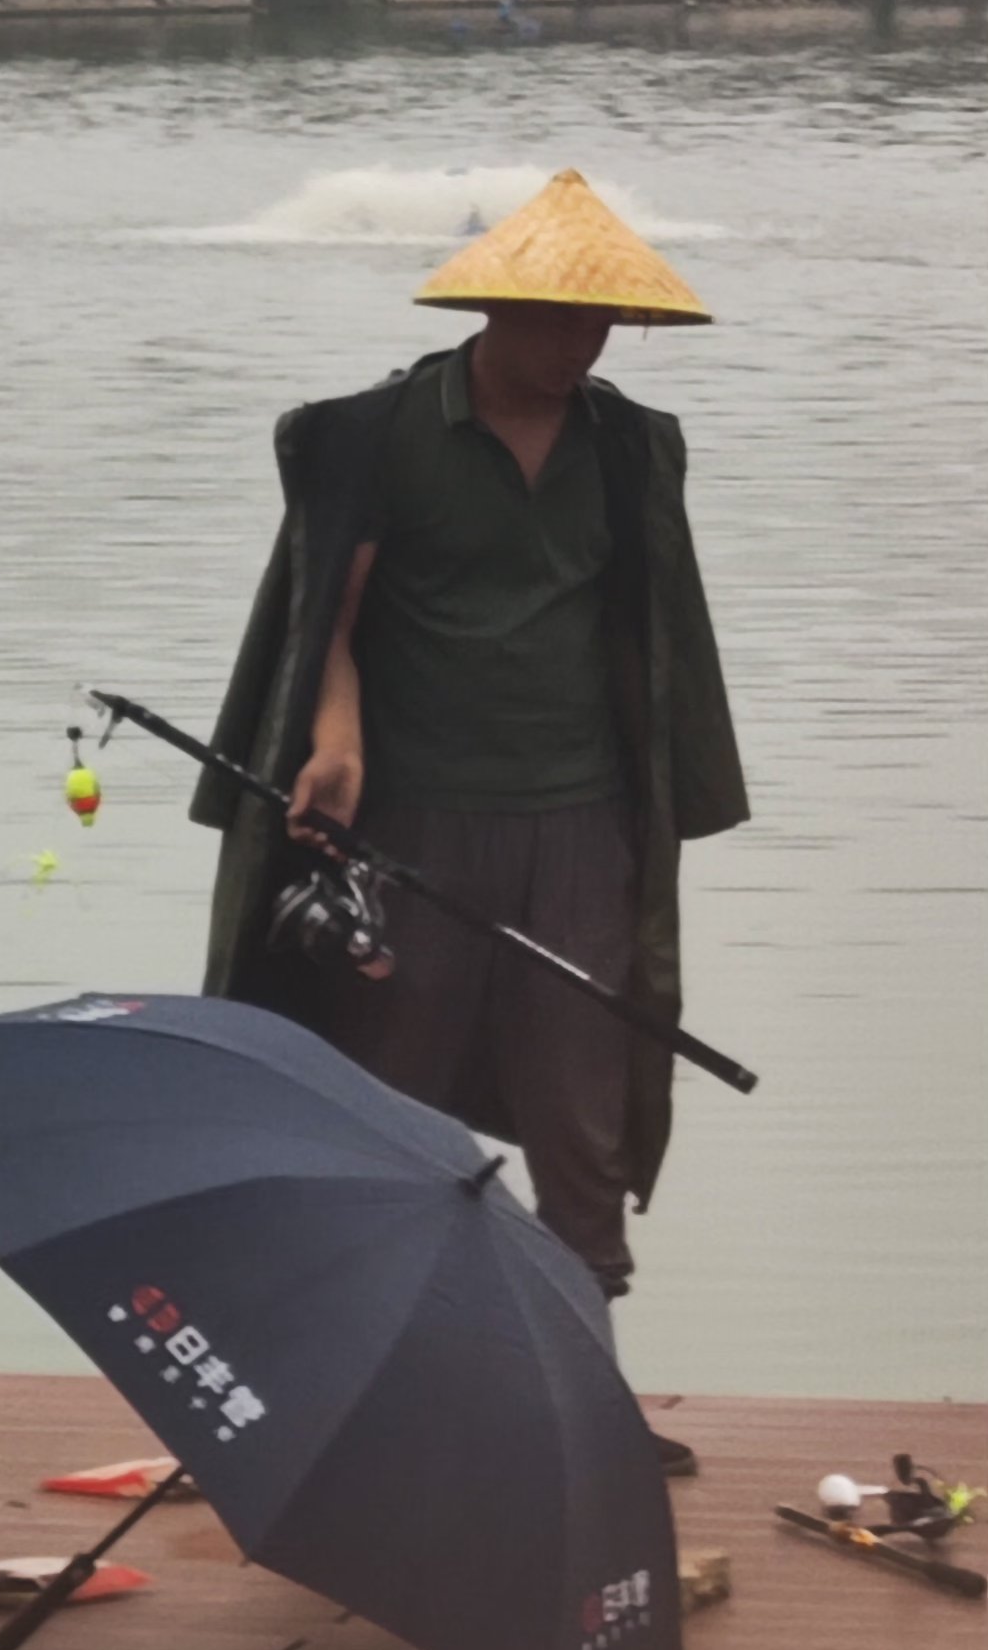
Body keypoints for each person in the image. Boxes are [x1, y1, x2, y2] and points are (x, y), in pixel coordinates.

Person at [193, 171, 748, 1419]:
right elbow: (325, 619)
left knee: (581, 1111)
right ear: (494, 310)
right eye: (560, 320)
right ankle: (377, 1386)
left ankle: (581, 1393)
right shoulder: (381, 436)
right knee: (390, 1101)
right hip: (415, 830)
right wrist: (333, 742)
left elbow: (644, 646)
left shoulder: (629, 447)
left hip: (580, 822)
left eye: (603, 324)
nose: (583, 345)